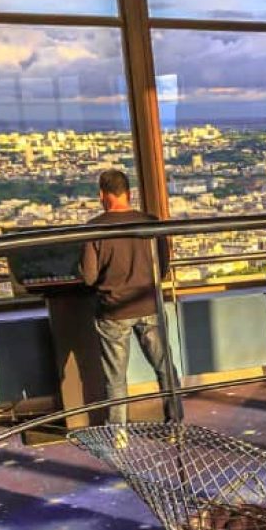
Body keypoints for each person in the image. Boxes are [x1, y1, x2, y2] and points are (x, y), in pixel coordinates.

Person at [80, 168, 179, 423]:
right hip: (149, 303)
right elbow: (164, 267)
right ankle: (175, 424)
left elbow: (89, 277)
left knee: (115, 377)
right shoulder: (150, 223)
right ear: (129, 193)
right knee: (164, 368)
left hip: (113, 310)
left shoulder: (93, 229)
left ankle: (119, 433)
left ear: (102, 195)